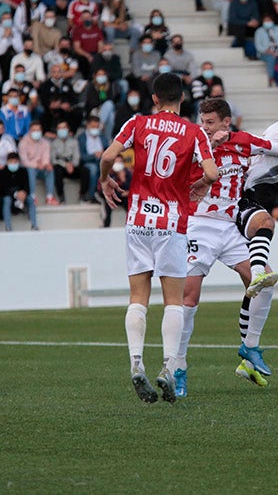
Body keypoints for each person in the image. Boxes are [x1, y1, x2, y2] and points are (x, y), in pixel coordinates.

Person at [174, 98, 278, 397]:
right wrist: (208, 142)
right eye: (203, 120)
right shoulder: (197, 141)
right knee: (189, 296)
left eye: (211, 122)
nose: (205, 126)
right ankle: (178, 368)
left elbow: (276, 148)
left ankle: (249, 347)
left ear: (227, 122)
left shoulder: (242, 142)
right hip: (200, 223)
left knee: (266, 281)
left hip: (228, 227)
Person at [99, 73, 219, 404]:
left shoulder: (137, 123)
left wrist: (105, 179)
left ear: (154, 99)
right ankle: (167, 367)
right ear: (182, 99)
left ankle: (136, 362)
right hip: (172, 223)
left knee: (138, 296)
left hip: (138, 220)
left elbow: (108, 156)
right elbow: (211, 173)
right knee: (173, 300)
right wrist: (204, 185)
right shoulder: (194, 132)